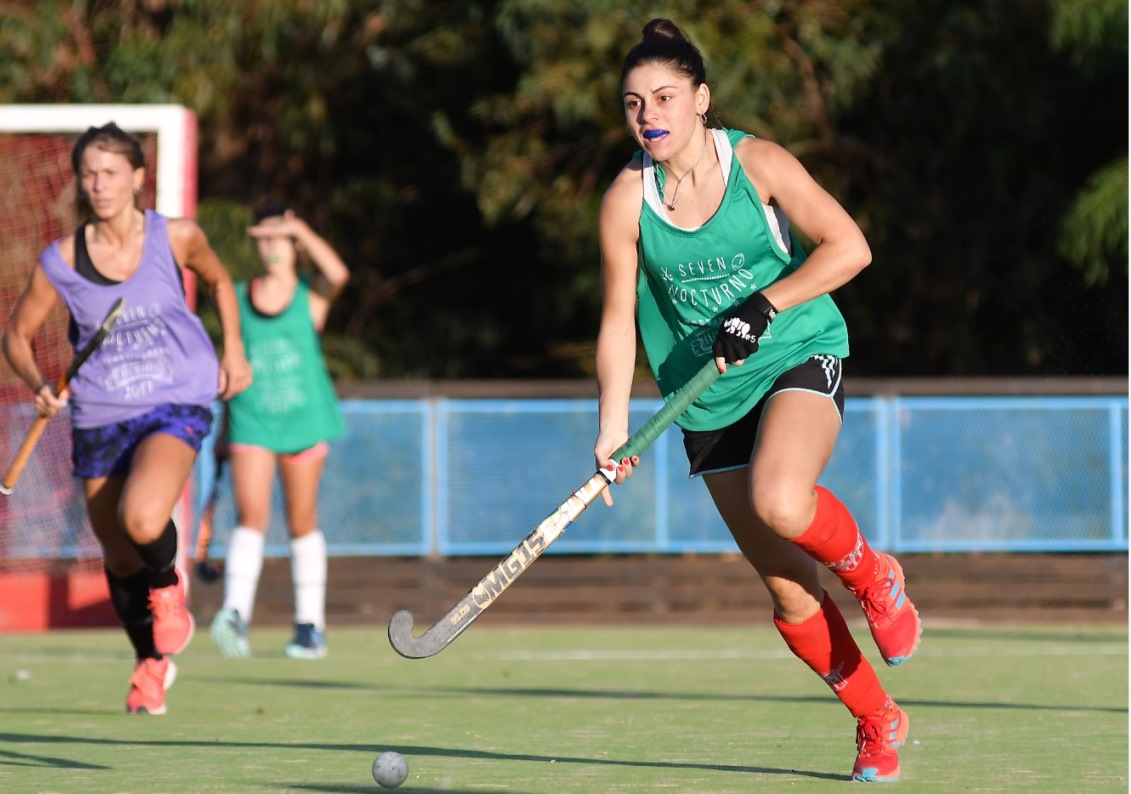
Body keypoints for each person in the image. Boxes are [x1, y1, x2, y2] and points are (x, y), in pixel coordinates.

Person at [594, 20, 922, 783]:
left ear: (701, 100)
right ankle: (876, 720)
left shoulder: (759, 163)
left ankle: (875, 576)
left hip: (795, 351)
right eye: (634, 103)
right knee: (787, 593)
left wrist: (767, 304)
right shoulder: (624, 202)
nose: (649, 116)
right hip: (703, 400)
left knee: (782, 498)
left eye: (666, 97)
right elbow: (615, 321)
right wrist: (612, 429)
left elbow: (850, 248)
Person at [1, 122, 252, 715]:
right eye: (89, 173)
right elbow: (15, 336)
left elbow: (218, 281)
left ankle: (168, 588)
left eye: (111, 171)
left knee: (142, 519)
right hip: (99, 415)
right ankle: (151, 662)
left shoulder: (177, 237)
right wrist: (38, 385)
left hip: (174, 399)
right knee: (115, 554)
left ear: (138, 177)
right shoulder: (61, 261)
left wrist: (235, 349)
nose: (99, 183)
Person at [209, 200, 348, 660]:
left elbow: (339, 273)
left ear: (293, 243)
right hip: (253, 420)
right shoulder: (241, 295)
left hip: (305, 423)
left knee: (302, 521)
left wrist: (301, 227)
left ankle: (310, 627)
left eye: (279, 238)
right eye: (263, 238)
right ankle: (234, 617)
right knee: (252, 516)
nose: (271, 247)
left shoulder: (311, 295)